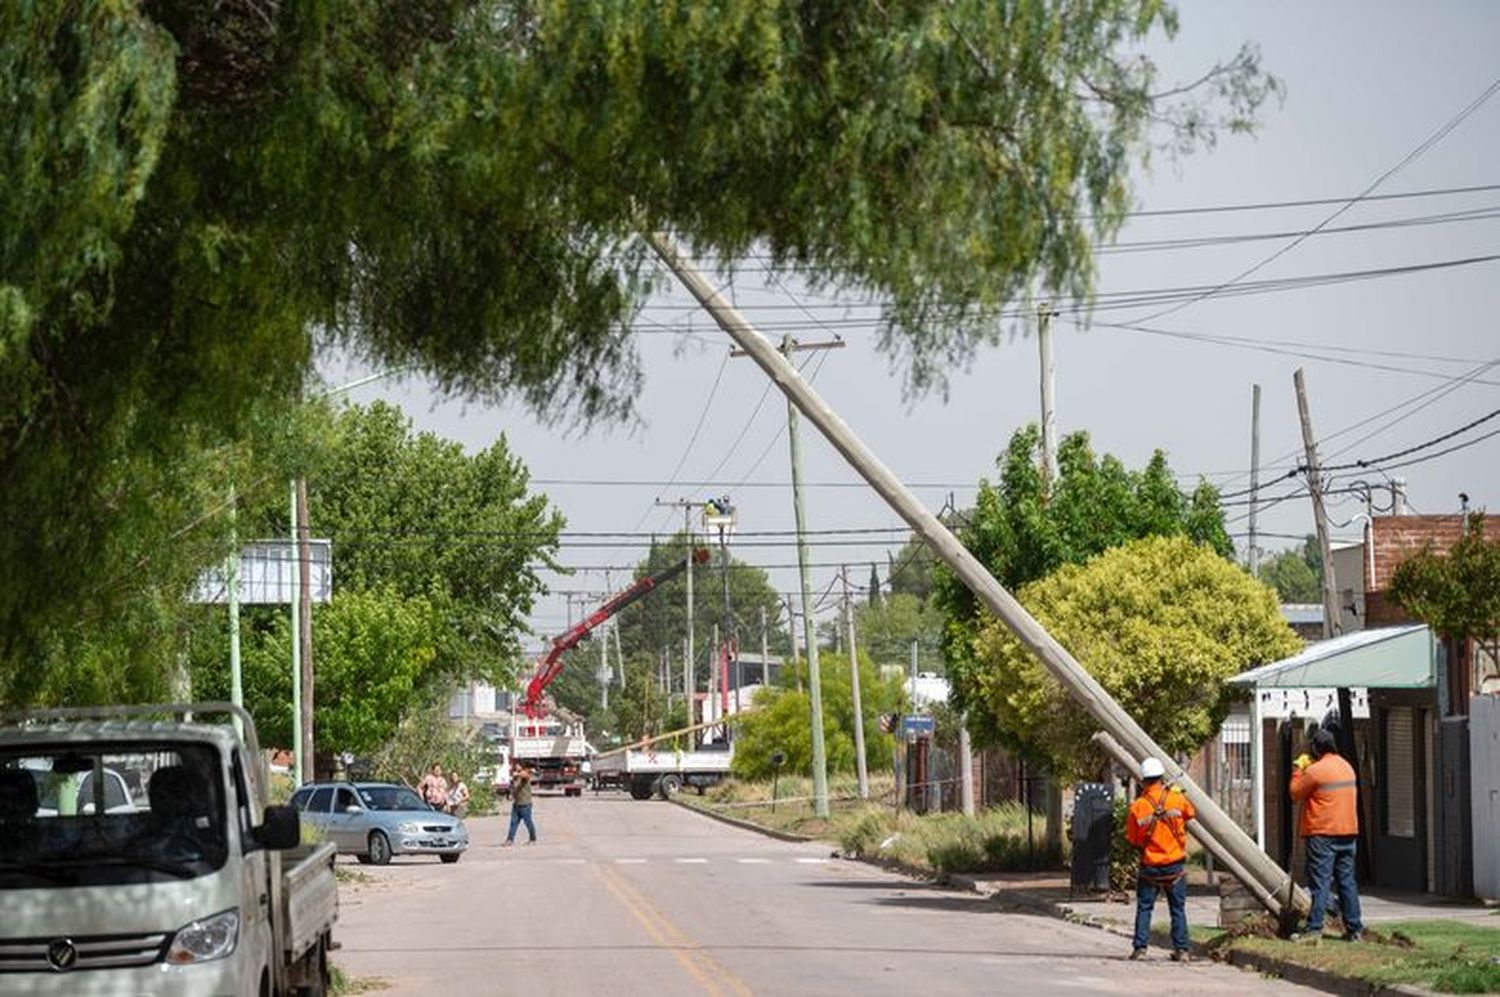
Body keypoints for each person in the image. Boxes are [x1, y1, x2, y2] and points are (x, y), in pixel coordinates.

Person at [1290, 727, 1363, 943]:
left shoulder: (1316, 771)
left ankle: (1314, 929)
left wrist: (1298, 768)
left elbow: (1295, 792)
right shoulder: (1347, 767)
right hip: (1348, 833)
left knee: (1320, 883)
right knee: (1347, 882)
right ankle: (1354, 928)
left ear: (1315, 748)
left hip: (1323, 833)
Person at [1124, 757, 1196, 962]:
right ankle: (1181, 950)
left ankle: (1140, 949)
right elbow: (1191, 813)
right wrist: (1175, 794)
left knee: (1145, 907)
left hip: (1150, 866)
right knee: (1177, 909)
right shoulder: (1176, 799)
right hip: (1175, 866)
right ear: (1162, 777)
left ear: (1143, 780)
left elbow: (1133, 838)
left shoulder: (1138, 807)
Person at [503, 766, 536, 846]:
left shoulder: (525, 777)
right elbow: (512, 789)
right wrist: (510, 795)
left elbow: (525, 775)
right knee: (513, 823)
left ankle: (532, 839)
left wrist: (519, 773)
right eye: (515, 768)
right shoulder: (515, 779)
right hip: (516, 804)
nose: (516, 769)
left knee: (528, 823)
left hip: (525, 804)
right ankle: (509, 840)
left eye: (518, 768)